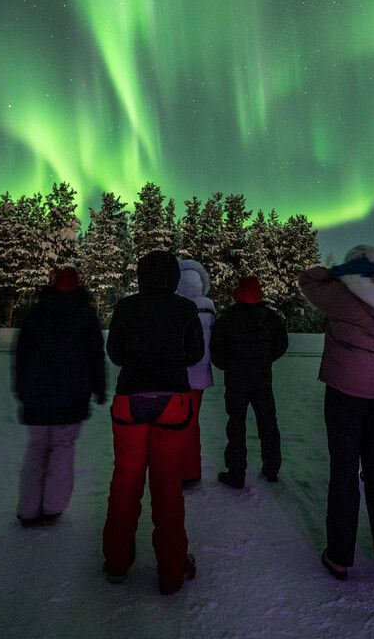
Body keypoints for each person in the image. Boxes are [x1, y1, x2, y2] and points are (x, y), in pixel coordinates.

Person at [300, 245, 374, 582]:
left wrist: (342, 270)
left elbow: (307, 278)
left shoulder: (342, 295)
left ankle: (340, 556)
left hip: (344, 392)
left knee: (344, 471)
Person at [102, 250, 205, 595]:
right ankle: (171, 572)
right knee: (167, 487)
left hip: (130, 399)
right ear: (175, 277)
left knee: (125, 482)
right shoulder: (185, 309)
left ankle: (116, 563)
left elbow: (115, 353)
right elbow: (194, 354)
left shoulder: (126, 307)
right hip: (173, 400)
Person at [12, 266, 106, 527]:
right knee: (63, 448)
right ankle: (53, 505)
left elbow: (21, 355)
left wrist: (21, 389)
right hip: (71, 394)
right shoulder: (85, 315)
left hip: (37, 395)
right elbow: (95, 354)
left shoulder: (37, 313)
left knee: (36, 449)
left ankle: (28, 509)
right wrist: (99, 386)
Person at [210, 275, 289, 488]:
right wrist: (265, 360)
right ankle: (271, 468)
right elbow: (282, 344)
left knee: (236, 425)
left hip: (236, 380)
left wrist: (230, 365)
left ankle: (236, 472)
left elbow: (216, 352)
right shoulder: (271, 318)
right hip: (262, 379)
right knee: (268, 423)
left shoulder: (227, 318)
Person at [176, 259, 216, 486]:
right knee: (192, 422)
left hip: (178, 373)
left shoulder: (176, 308)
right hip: (201, 373)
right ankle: (191, 469)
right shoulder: (209, 308)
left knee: (179, 422)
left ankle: (181, 468)